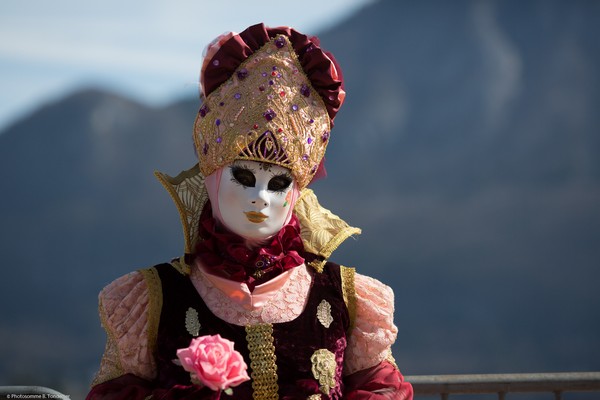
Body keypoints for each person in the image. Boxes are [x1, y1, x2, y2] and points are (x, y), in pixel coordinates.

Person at [87, 23, 413, 400]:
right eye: (243, 177)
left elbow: (382, 390)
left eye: (278, 184)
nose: (260, 198)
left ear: (297, 194)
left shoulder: (346, 298)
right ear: (212, 177)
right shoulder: (152, 298)